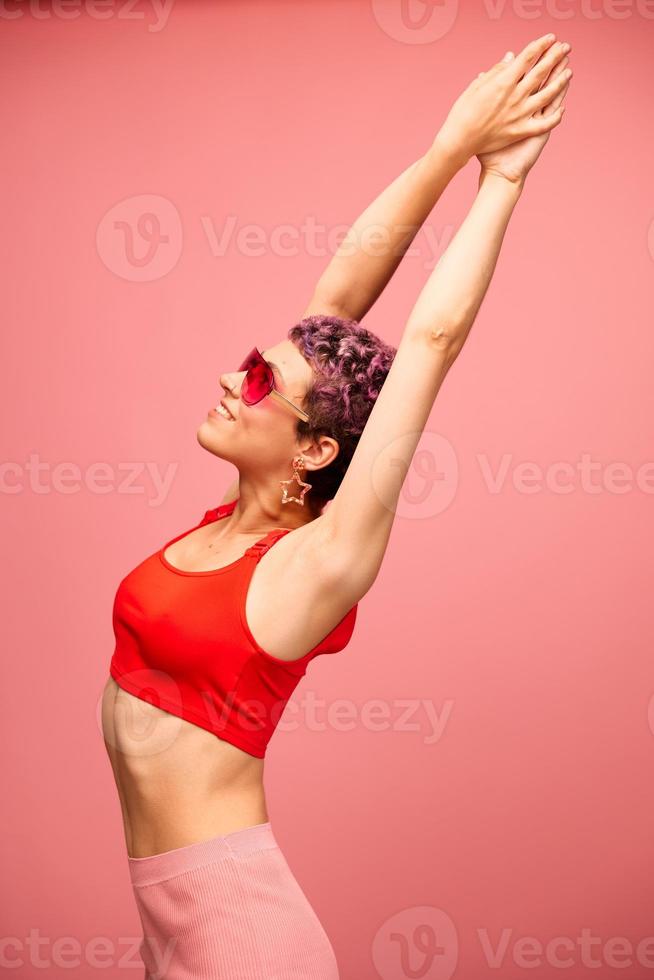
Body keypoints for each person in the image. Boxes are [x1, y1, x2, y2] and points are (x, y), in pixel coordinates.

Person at [101, 33, 572, 980]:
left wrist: (504, 181)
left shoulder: (316, 564)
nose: (234, 383)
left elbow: (430, 341)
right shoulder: (230, 524)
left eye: (260, 384)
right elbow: (338, 301)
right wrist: (448, 150)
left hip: (241, 934)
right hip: (167, 919)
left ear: (315, 449)